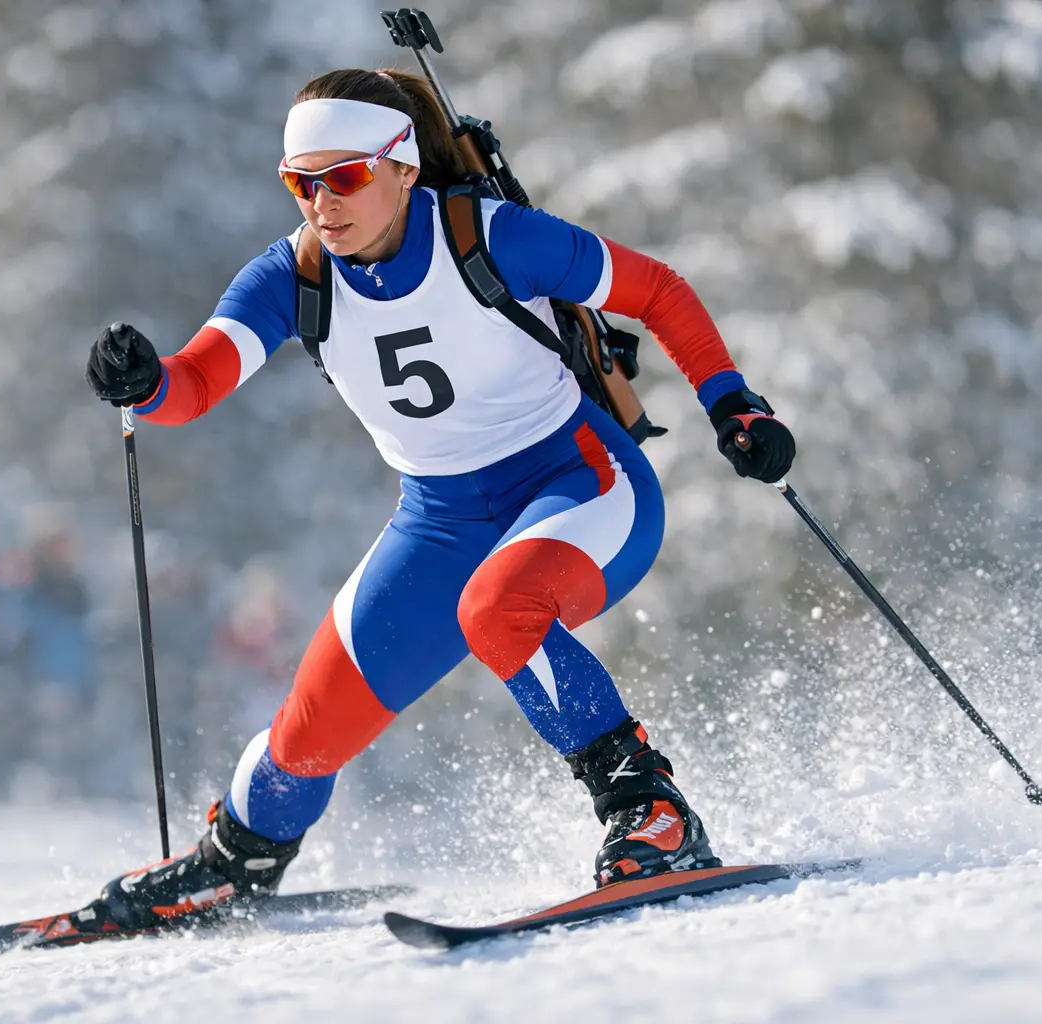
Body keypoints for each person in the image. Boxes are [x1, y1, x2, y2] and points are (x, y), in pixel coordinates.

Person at [82, 69, 796, 927]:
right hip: (440, 520)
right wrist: (144, 380)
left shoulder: (491, 238)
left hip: (582, 483)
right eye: (299, 182)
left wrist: (732, 403)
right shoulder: (294, 276)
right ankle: (233, 864)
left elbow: (657, 289)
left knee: (497, 609)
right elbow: (194, 384)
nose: (321, 203)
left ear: (403, 169)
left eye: (343, 177)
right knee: (306, 734)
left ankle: (652, 812)